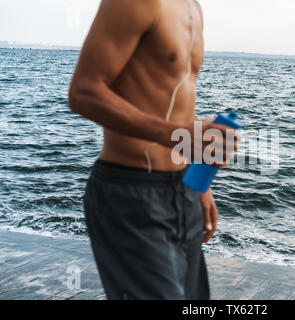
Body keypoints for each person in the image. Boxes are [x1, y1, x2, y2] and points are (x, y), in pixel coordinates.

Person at [68, 0, 240, 300]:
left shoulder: (193, 7)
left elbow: (173, 105)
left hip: (182, 187)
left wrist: (198, 182)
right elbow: (84, 92)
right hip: (131, 192)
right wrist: (177, 136)